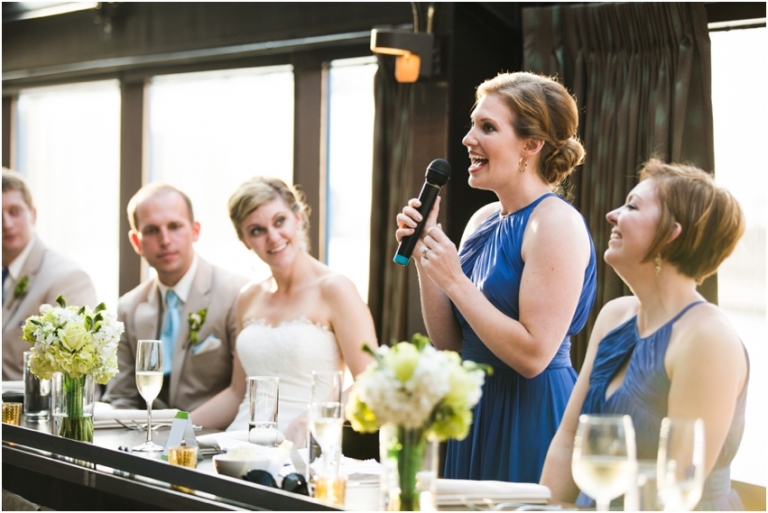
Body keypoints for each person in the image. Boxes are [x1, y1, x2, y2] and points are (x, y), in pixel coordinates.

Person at [396, 72, 597, 483]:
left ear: (531, 145)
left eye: (487, 127)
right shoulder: (483, 219)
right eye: (473, 124)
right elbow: (451, 343)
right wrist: (425, 256)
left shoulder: (554, 224)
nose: (469, 138)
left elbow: (532, 356)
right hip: (474, 410)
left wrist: (455, 280)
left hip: (529, 413)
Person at [540, 159, 748, 510]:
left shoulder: (707, 339)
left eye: (632, 206)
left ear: (670, 234)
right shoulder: (615, 316)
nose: (611, 214)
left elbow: (674, 492)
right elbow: (568, 439)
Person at [190, 176, 377, 445]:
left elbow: (370, 381)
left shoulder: (336, 289)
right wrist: (176, 426)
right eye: (257, 230)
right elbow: (236, 394)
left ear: (298, 217)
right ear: (245, 240)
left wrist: (312, 418)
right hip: (238, 446)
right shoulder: (248, 297)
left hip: (303, 446)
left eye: (280, 221)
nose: (273, 237)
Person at [103, 183, 248, 411]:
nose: (165, 240)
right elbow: (121, 398)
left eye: (174, 226)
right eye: (151, 230)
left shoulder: (237, 295)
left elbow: (243, 395)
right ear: (136, 242)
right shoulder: (128, 308)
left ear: (195, 230)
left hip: (212, 439)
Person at [2, 168, 98, 380]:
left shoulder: (67, 278)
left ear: (33, 214)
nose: (6, 223)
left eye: (15, 211)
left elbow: (75, 378)